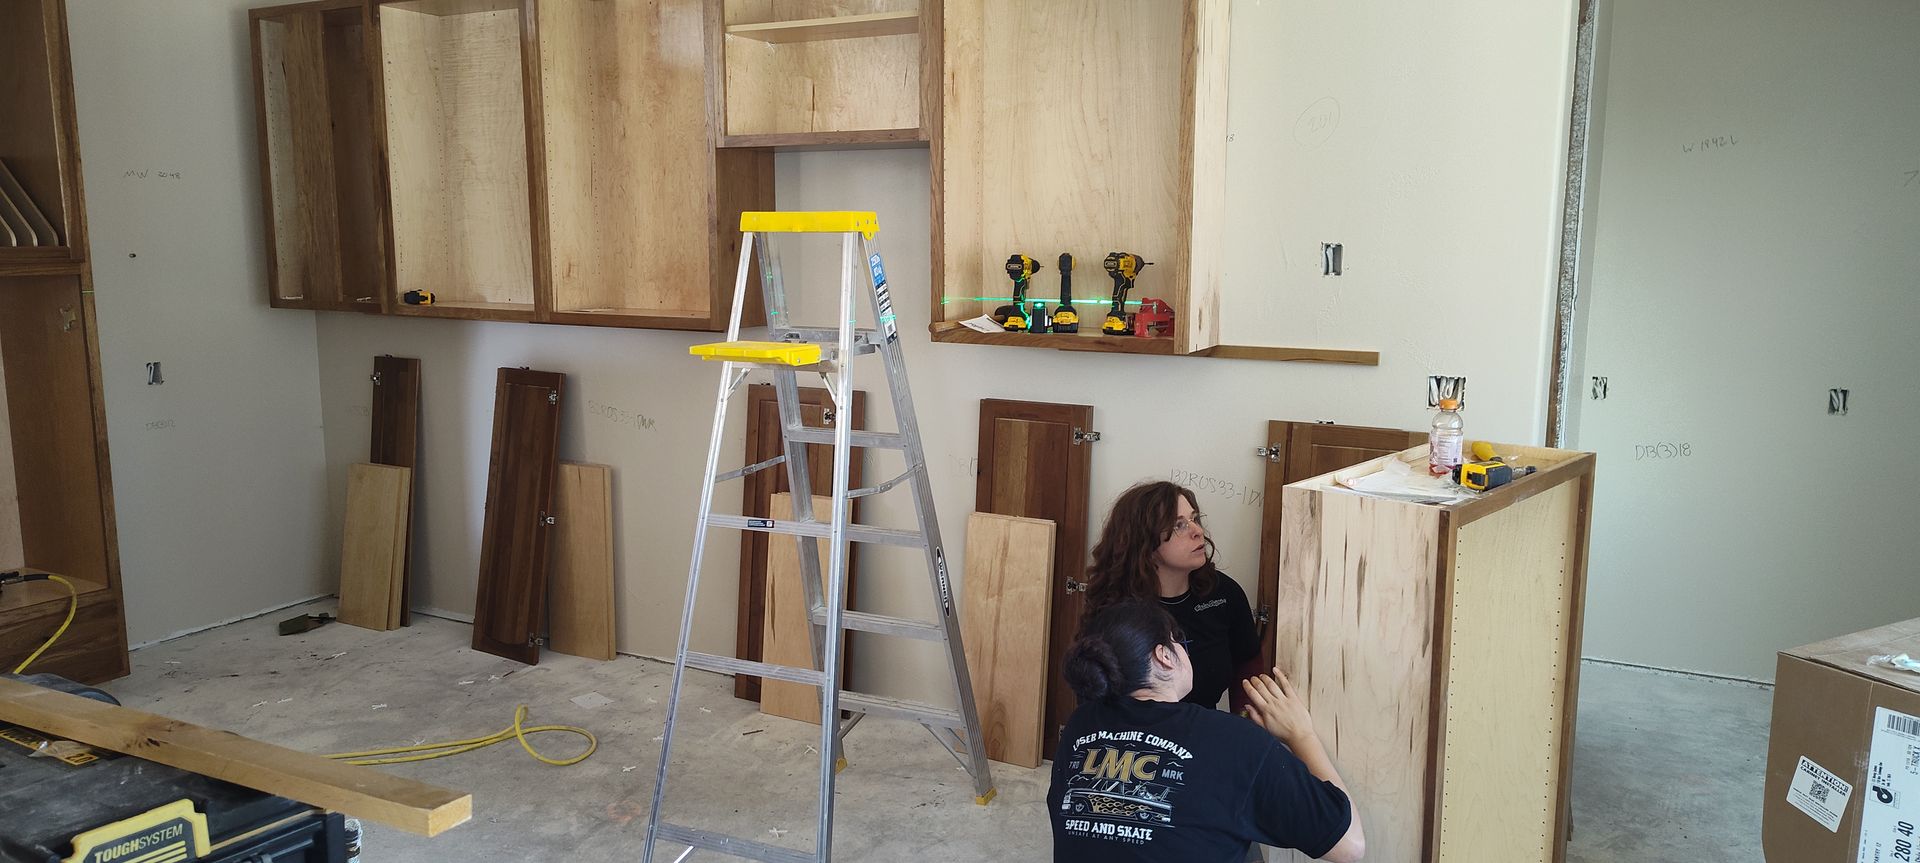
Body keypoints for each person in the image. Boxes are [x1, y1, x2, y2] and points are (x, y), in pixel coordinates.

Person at [1048, 601, 1365, 862]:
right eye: (1179, 640)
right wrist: (1302, 735)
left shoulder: (1079, 727)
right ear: (1165, 656)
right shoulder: (1233, 741)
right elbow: (1349, 846)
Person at [1085, 481, 1259, 711]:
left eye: (1194, 519)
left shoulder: (1223, 593)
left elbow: (1248, 666)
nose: (1198, 531)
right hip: (1141, 741)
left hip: (1206, 734)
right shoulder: (1115, 611)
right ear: (1144, 541)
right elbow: (1095, 702)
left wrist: (1244, 729)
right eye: (1179, 525)